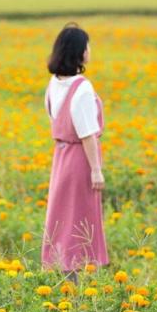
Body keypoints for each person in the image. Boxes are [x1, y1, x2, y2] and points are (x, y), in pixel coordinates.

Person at [41, 22, 109, 284]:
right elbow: (87, 134)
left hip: (60, 157)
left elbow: (54, 118)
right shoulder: (81, 87)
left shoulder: (54, 83)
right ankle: (76, 284)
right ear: (79, 52)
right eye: (87, 46)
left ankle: (63, 277)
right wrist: (96, 169)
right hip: (80, 158)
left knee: (62, 216)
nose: (90, 50)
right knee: (80, 219)